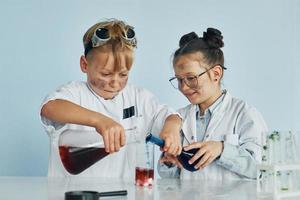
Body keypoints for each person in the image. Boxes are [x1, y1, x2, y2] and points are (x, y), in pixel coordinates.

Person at [40, 19, 182, 178]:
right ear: (84, 65)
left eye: (123, 74)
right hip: (72, 194)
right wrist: (100, 121)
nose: (115, 82)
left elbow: (169, 116)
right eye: (106, 74)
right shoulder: (75, 93)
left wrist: (172, 129)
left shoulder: (138, 97)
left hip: (123, 193)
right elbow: (50, 108)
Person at [158, 28, 268, 180]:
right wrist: (169, 163)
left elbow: (263, 169)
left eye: (191, 78)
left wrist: (222, 149)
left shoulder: (244, 114)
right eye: (179, 79)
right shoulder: (178, 118)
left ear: (216, 73)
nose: (183, 87)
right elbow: (171, 179)